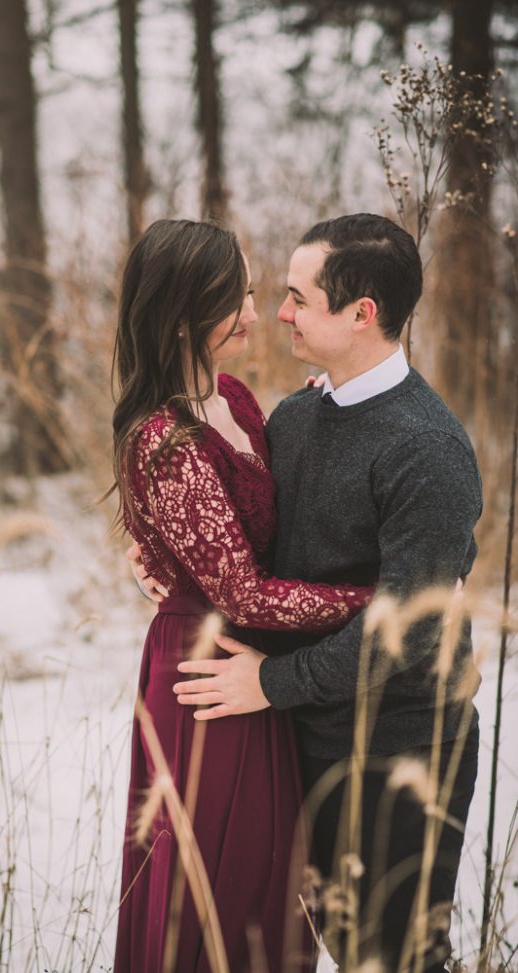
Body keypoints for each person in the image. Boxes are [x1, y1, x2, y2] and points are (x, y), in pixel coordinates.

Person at [172, 214, 483, 973]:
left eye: (298, 297)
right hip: (297, 740)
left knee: (392, 957)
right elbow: (253, 549)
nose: (279, 313)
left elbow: (404, 629)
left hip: (396, 749)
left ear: (361, 313)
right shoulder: (298, 413)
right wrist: (160, 557)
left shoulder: (428, 450)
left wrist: (270, 682)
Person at [111, 218, 372, 973]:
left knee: (265, 887)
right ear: (185, 311)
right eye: (237, 299)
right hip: (205, 678)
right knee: (213, 892)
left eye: (255, 293)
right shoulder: (164, 435)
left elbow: (259, 517)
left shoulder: (233, 395)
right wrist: (378, 598)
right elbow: (246, 593)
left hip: (250, 666)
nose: (257, 315)